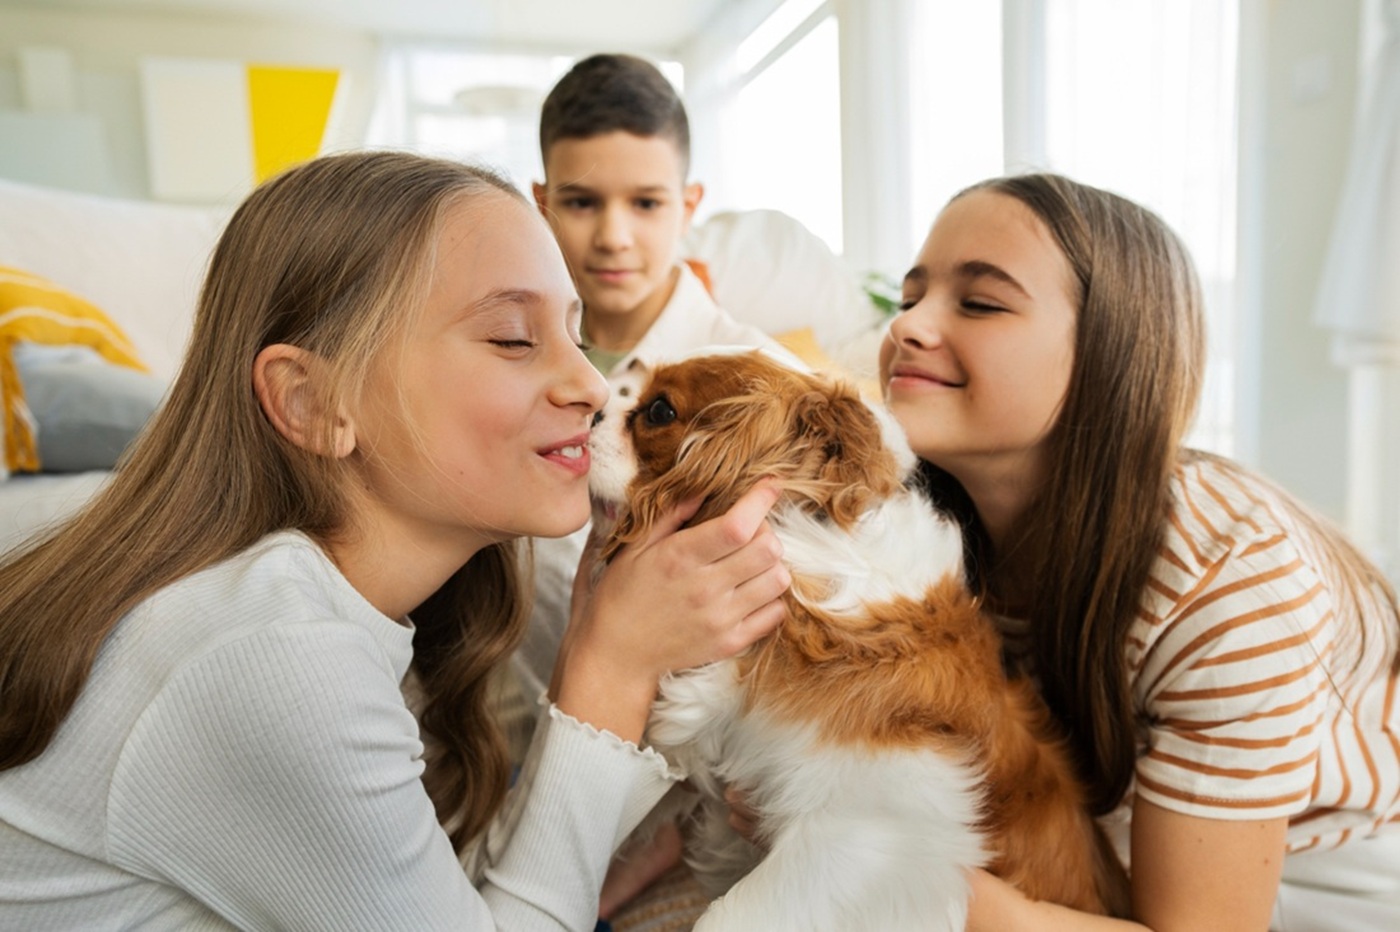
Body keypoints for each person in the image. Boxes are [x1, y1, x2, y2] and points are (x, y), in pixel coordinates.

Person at [0, 150, 791, 931]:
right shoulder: (275, 653)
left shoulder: (330, 611)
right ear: (311, 403)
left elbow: (450, 899)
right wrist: (612, 668)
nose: (592, 386)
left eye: (575, 336)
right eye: (514, 339)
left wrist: (596, 644)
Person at [879, 171, 1400, 930]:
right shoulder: (903, 522)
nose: (909, 327)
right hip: (1102, 829)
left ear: (1110, 352)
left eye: (980, 303)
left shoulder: (1230, 584)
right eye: (909, 297)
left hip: (1312, 868)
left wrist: (891, 871)